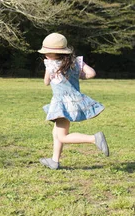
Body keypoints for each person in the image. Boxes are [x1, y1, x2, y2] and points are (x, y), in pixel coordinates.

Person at [38, 33, 109, 170]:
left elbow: (46, 82)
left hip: (61, 104)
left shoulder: (51, 64)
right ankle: (54, 160)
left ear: (52, 53)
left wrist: (49, 71)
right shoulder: (75, 61)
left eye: (46, 52)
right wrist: (80, 75)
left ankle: (94, 139)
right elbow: (91, 73)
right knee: (56, 133)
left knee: (62, 136)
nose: (45, 55)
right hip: (74, 100)